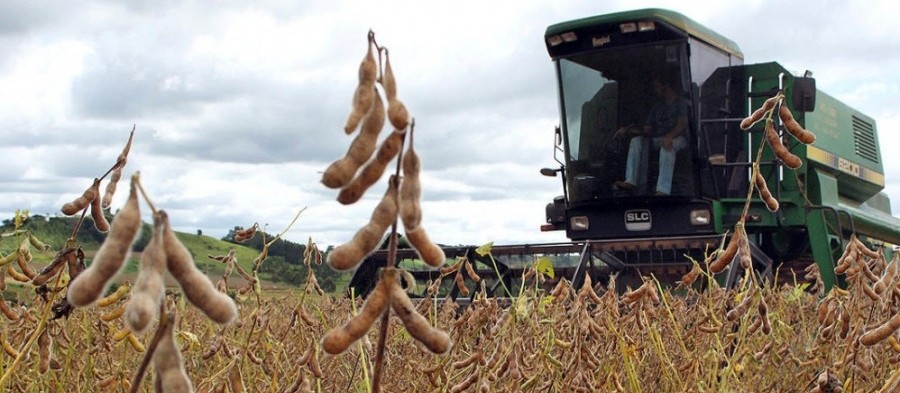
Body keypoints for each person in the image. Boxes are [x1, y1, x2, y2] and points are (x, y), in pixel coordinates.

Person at [612, 74, 688, 196]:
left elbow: (682, 123)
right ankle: (631, 180)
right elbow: (647, 129)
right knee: (636, 141)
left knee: (667, 147)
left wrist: (670, 136)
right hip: (660, 138)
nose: (655, 90)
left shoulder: (680, 103)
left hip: (679, 138)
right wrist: (628, 129)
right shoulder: (657, 106)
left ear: (667, 86)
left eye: (657, 87)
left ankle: (663, 190)